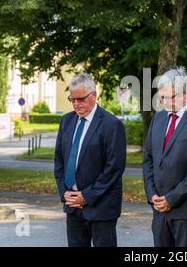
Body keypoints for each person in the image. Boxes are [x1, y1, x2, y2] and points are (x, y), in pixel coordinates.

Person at [143, 67, 187, 247]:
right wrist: (153, 196)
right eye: (162, 97)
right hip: (159, 209)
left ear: (185, 93)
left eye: (171, 97)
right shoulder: (158, 118)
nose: (166, 102)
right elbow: (148, 160)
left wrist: (171, 199)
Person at [54, 73, 126, 247]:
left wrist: (86, 196)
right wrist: (64, 191)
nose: (76, 104)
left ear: (94, 95)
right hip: (72, 206)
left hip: (101, 207)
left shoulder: (111, 124)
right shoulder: (67, 121)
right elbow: (59, 161)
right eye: (72, 99)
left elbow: (114, 168)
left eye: (81, 99)